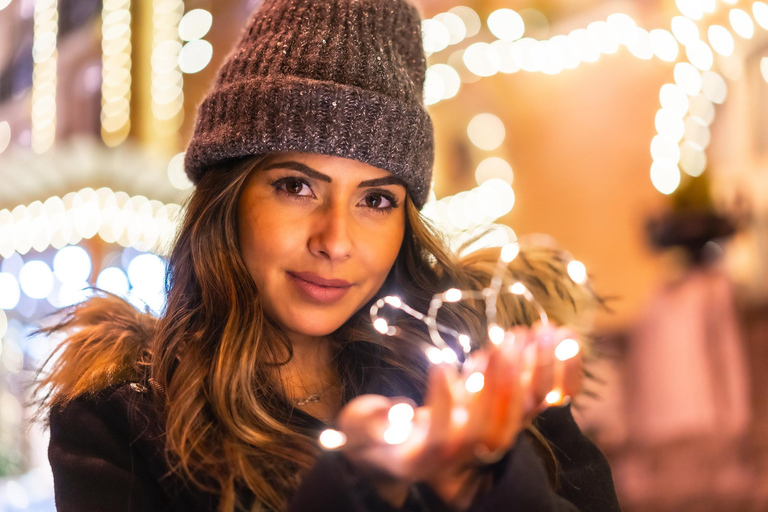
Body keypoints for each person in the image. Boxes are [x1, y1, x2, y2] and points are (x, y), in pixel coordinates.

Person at [35, 0, 621, 511]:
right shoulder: (121, 419)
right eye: (296, 186)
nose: (335, 241)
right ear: (229, 199)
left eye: (375, 199)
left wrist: (495, 486)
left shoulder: (487, 375)